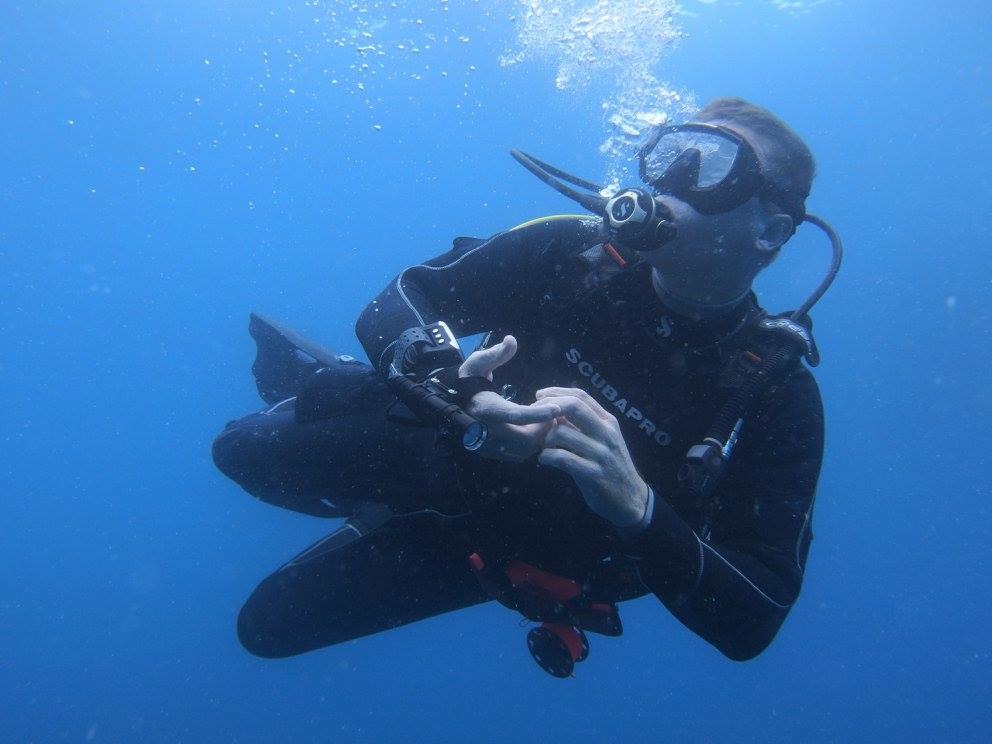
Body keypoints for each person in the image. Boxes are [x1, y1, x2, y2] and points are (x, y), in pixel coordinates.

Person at [213, 97, 839, 677]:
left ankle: (374, 459)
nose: (668, 184)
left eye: (711, 168)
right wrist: (458, 394)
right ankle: (358, 385)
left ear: (771, 231)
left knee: (266, 629)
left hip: (509, 553)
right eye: (672, 157)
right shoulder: (571, 250)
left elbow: (753, 619)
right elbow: (407, 294)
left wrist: (638, 508)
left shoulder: (773, 396)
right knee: (237, 451)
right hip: (440, 444)